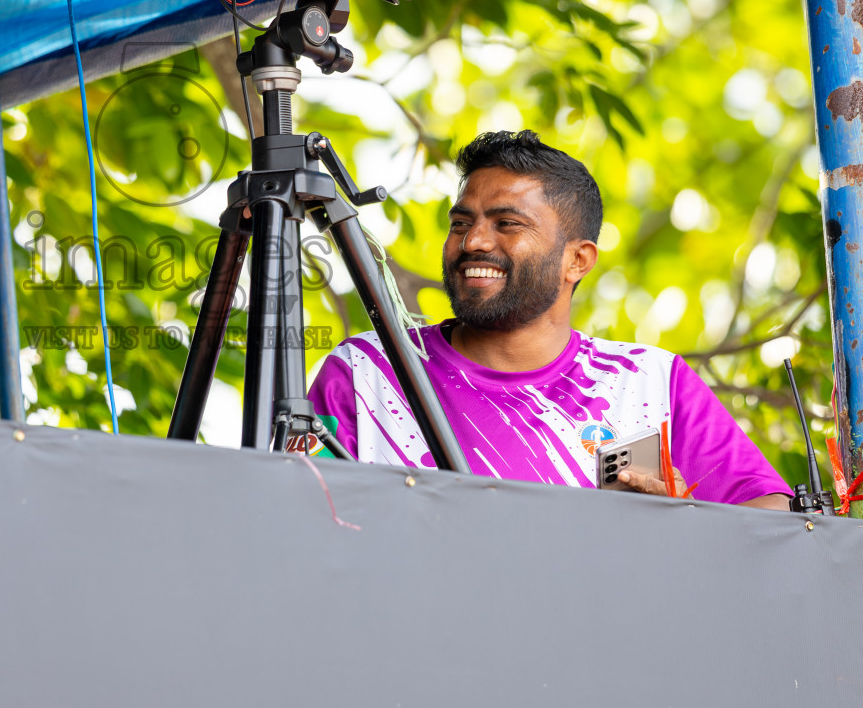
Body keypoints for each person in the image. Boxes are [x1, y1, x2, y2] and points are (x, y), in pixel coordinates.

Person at [307, 130, 789, 508]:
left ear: (577, 260)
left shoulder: (650, 383)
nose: (473, 241)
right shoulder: (366, 373)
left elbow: (773, 518)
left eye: (507, 224)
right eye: (461, 223)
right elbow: (288, 519)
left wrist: (682, 524)